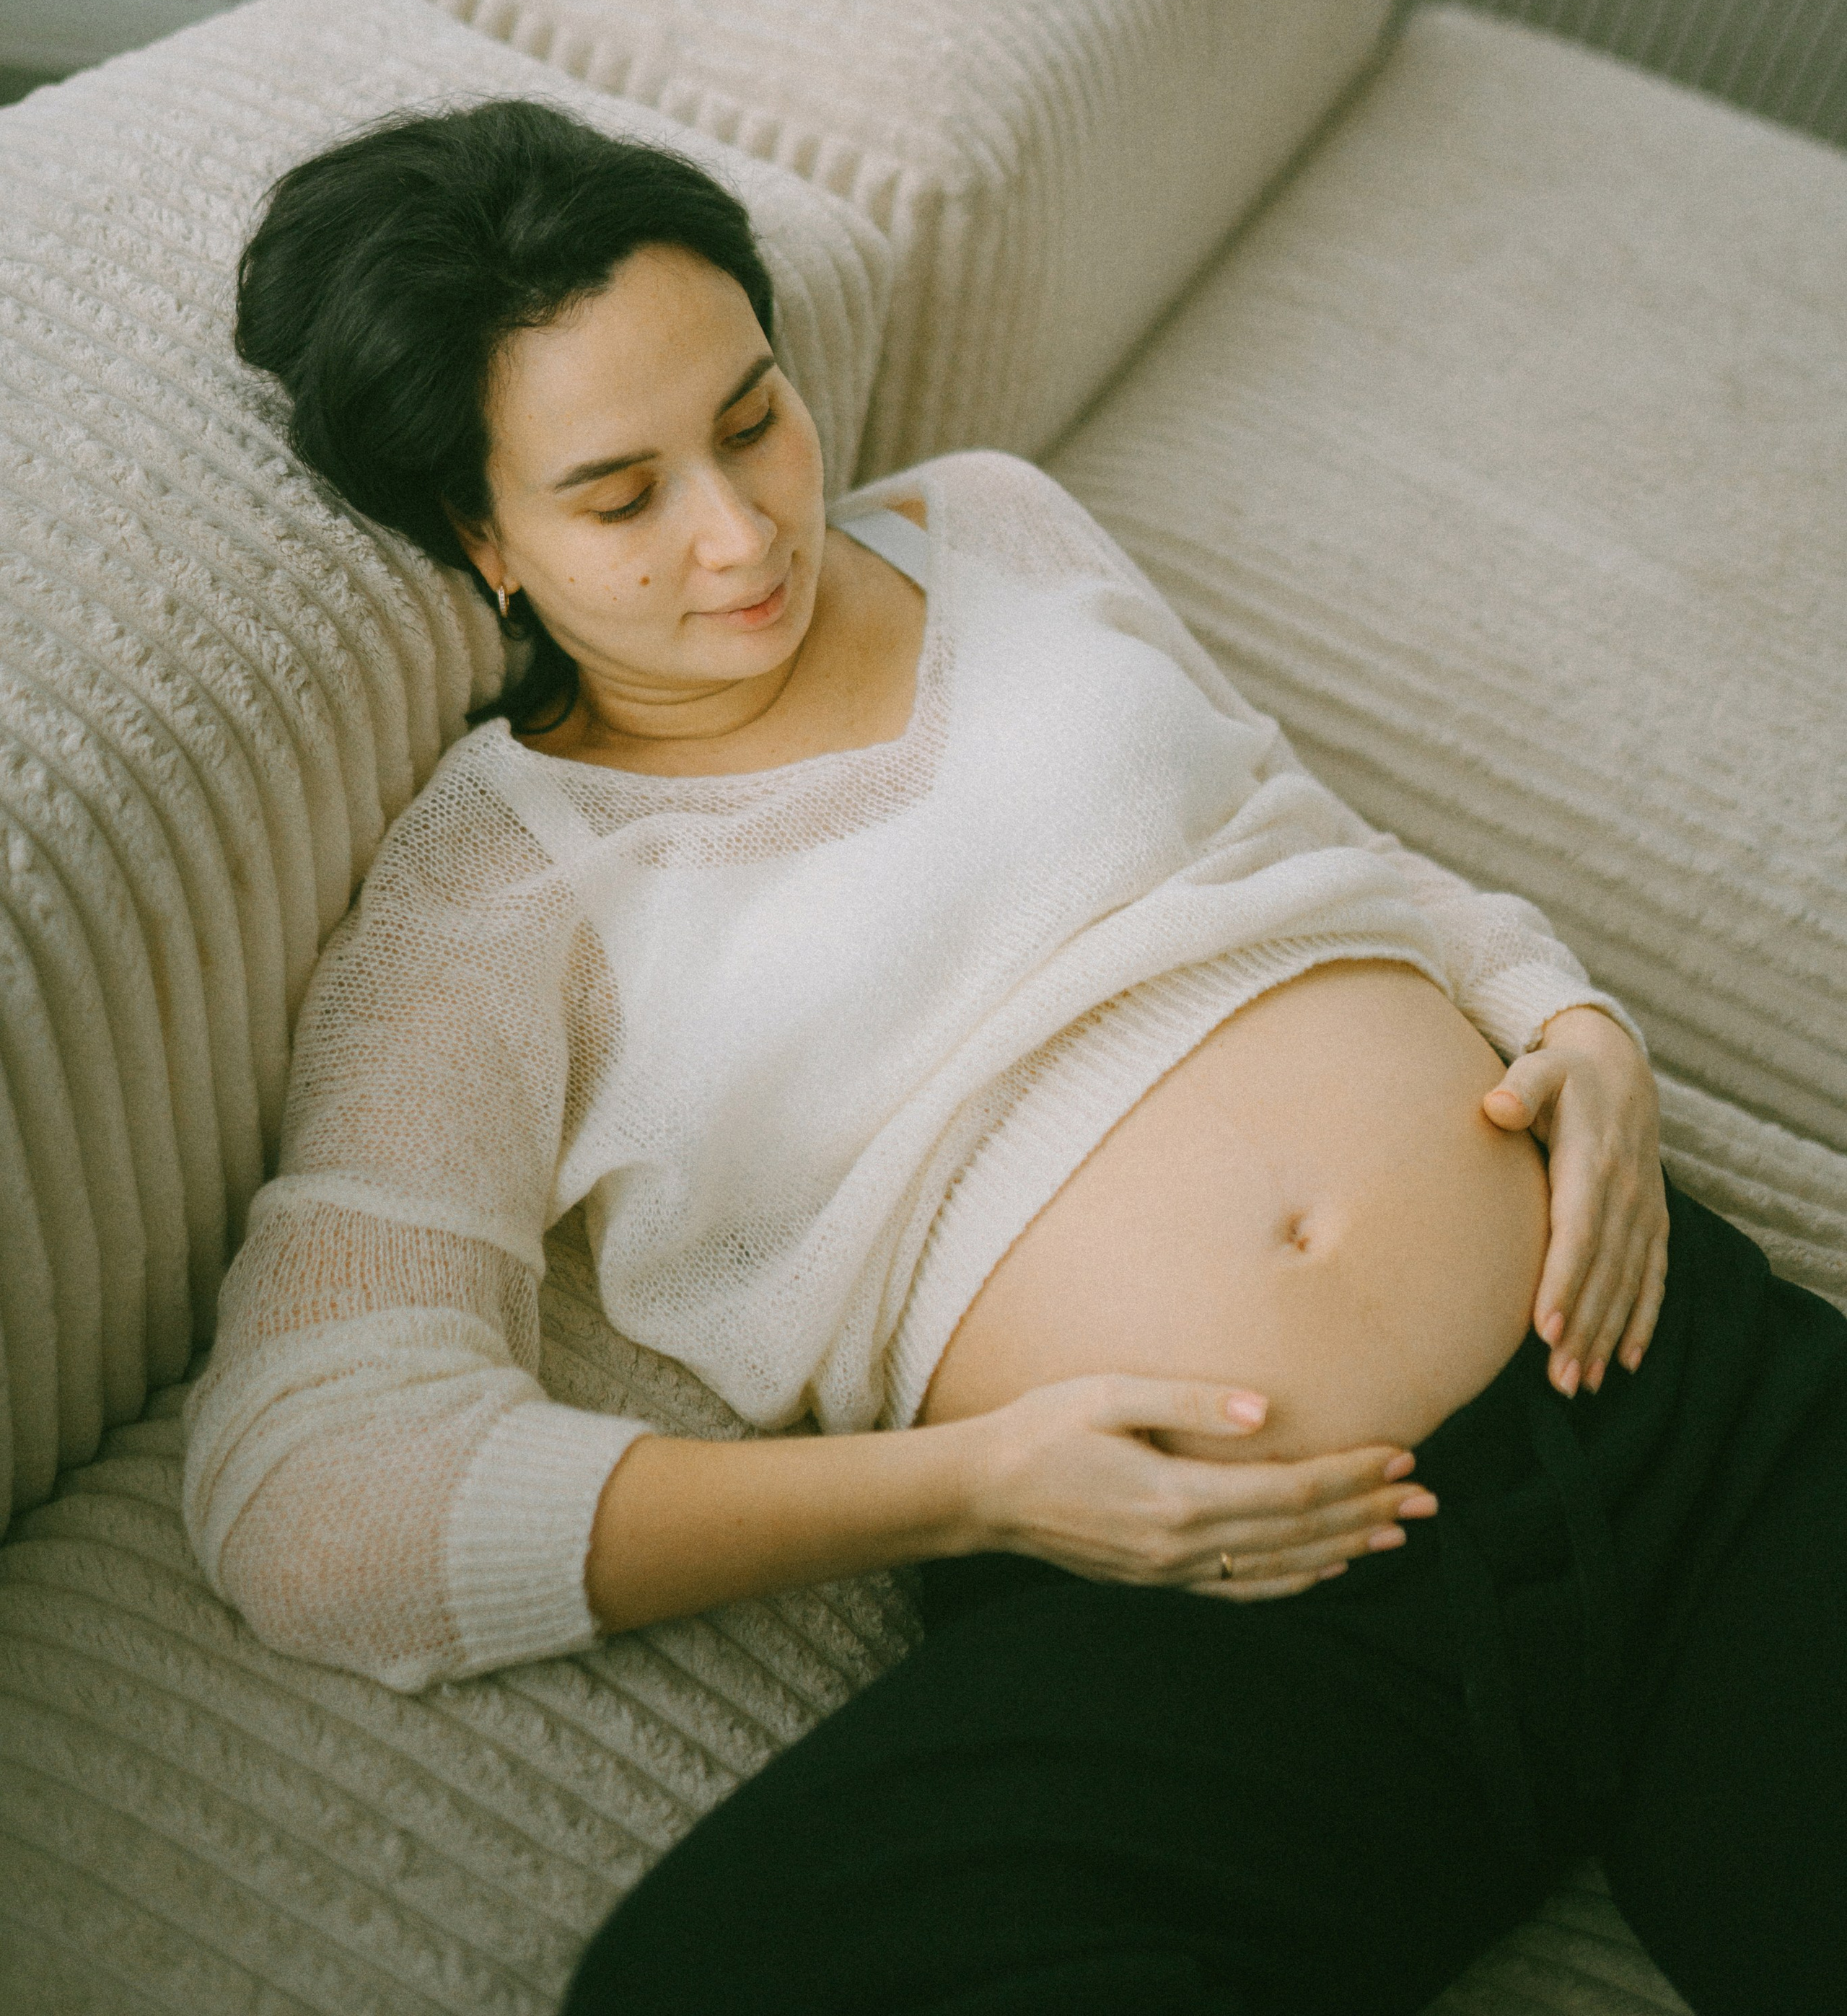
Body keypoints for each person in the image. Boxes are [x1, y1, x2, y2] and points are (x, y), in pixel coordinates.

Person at [185, 101, 1846, 2016]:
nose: (742, 535)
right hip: (1238, 1613)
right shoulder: (500, 891)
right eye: (622, 497)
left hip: (1661, 1380)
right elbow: (312, 1487)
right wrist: (969, 1486)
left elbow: (1315, 833)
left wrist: (1573, 1020)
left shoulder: (988, 517)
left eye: (752, 416)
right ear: (483, 536)